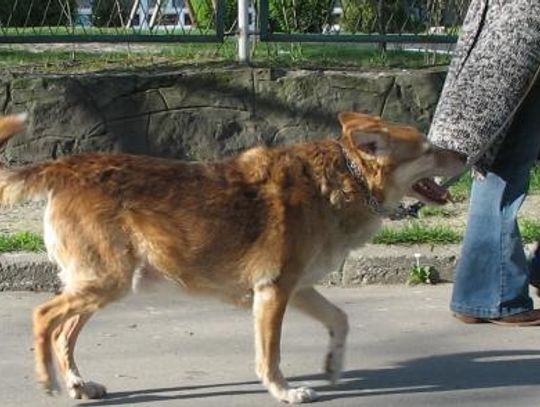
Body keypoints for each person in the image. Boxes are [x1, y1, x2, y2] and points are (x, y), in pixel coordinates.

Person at [427, 0, 540, 326]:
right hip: (520, 31)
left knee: (502, 161)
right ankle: (491, 295)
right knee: (504, 163)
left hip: (511, 28)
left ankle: (485, 291)